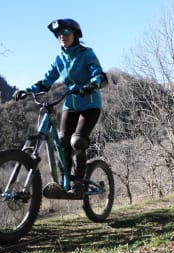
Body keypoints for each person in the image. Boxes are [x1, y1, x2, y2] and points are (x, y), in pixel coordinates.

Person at [14, 18, 107, 199]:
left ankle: (78, 183)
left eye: (65, 32)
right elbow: (46, 81)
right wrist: (27, 90)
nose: (61, 37)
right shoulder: (59, 59)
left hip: (90, 104)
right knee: (62, 140)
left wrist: (92, 84)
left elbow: (99, 75)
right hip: (70, 105)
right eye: (58, 34)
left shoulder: (86, 54)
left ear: (75, 34)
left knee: (77, 141)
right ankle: (65, 180)